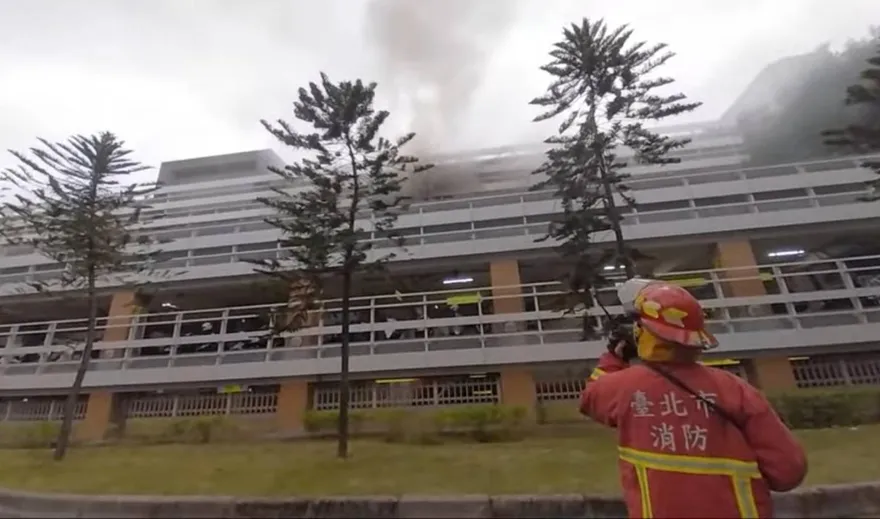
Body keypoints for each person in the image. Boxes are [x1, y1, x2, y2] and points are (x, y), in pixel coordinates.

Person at [580, 280, 807, 519]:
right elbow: (787, 471)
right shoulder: (735, 389)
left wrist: (614, 357)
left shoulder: (625, 387)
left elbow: (590, 398)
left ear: (643, 333)